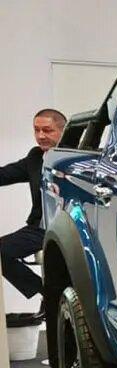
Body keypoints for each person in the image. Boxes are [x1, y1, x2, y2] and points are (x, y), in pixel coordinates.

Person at [0, 108, 66, 309]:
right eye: (37, 130)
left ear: (63, 130)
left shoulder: (78, 157)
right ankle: (48, 295)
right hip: (41, 227)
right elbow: (5, 174)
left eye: (47, 130)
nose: (40, 136)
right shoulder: (35, 157)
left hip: (70, 227)